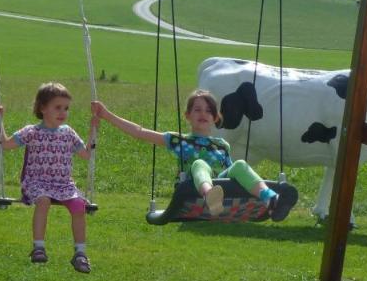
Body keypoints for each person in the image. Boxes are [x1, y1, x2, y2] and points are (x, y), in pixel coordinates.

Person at [91, 89, 282, 217]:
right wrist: (106, 114)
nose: (203, 113)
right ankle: (210, 196)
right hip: (192, 192)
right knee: (199, 164)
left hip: (222, 186)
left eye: (208, 111)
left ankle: (269, 197)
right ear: (188, 116)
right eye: (197, 109)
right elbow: (140, 132)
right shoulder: (179, 140)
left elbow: (231, 171)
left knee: (240, 165)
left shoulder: (222, 145)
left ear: (215, 118)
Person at [0, 82, 97, 273]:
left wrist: (93, 131)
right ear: (42, 108)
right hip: (36, 182)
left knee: (79, 206)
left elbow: (86, 154)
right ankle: (38, 247)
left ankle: (80, 253)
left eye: (66, 108)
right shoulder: (32, 132)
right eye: (57, 107)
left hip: (63, 184)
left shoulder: (68, 133)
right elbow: (5, 145)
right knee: (43, 201)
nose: (63, 112)